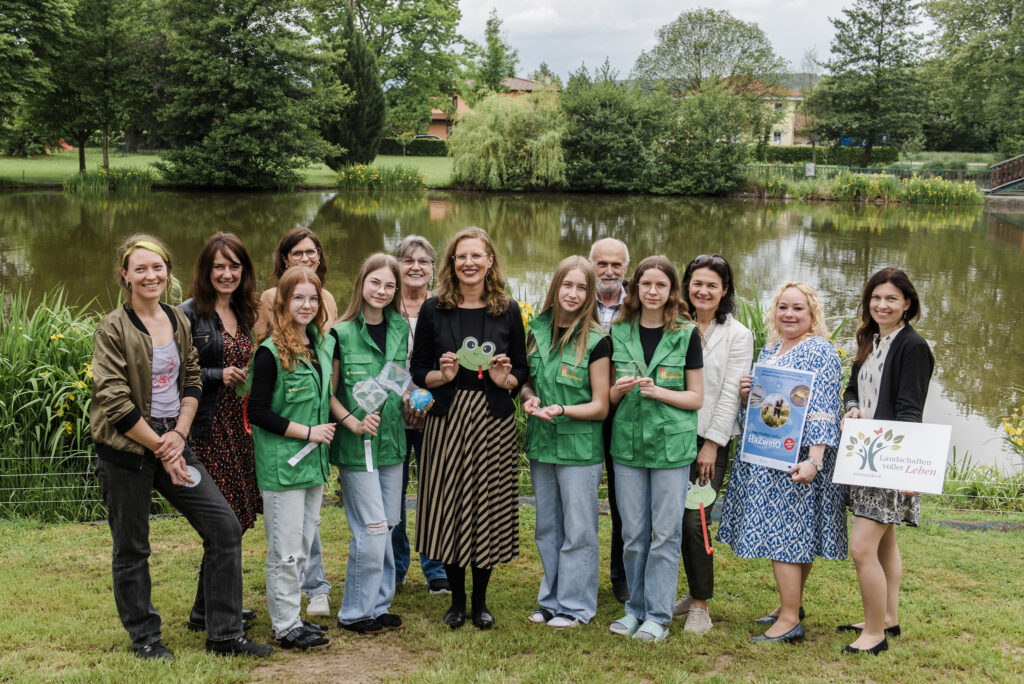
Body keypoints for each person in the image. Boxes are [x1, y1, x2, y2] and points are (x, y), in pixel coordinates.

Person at [91, 234, 271, 660]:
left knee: (224, 526)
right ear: (125, 275)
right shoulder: (112, 328)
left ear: (168, 272)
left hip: (175, 440)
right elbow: (114, 399)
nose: (150, 275)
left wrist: (178, 435)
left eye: (157, 268)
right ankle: (146, 638)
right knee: (133, 547)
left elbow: (191, 377)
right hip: (128, 451)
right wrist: (160, 446)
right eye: (140, 268)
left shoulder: (177, 319)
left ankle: (224, 635)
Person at [410, 227, 529, 630]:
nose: (469, 263)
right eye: (462, 256)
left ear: (490, 261)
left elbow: (522, 372)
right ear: (452, 262)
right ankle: (456, 601)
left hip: (492, 419)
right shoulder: (433, 309)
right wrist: (441, 377)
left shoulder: (508, 310)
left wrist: (504, 382)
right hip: (447, 418)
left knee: (486, 506)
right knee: (451, 504)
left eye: (477, 256)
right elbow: (418, 370)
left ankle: (480, 601)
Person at [716, 281, 847, 644]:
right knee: (795, 532)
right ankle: (791, 605)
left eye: (798, 309)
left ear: (812, 313)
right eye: (783, 307)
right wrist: (749, 393)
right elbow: (772, 402)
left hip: (798, 459)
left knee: (786, 536)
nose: (789, 314)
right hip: (768, 454)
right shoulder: (773, 347)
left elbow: (823, 407)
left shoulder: (817, 350)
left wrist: (814, 462)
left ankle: (789, 620)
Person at [607, 256, 704, 642]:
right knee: (633, 533)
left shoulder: (686, 333)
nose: (651, 291)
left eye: (660, 286)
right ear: (635, 288)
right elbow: (610, 397)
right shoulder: (618, 331)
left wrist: (658, 391)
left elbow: (696, 398)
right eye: (645, 284)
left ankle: (658, 616)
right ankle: (635, 608)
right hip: (628, 446)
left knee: (664, 534)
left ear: (671, 291)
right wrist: (619, 389)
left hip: (671, 449)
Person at [839, 267, 934, 655]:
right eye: (876, 297)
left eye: (892, 298)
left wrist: (901, 467)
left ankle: (874, 634)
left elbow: (911, 412)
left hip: (888, 458)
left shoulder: (913, 348)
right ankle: (888, 617)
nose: (882, 304)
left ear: (907, 303)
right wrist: (853, 409)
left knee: (861, 547)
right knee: (884, 543)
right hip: (864, 453)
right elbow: (853, 390)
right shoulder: (869, 338)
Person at [520, 256, 611, 629]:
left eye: (581, 288)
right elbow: (527, 382)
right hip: (543, 443)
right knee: (548, 527)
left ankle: (576, 606)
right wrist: (528, 397)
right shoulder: (536, 330)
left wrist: (561, 409)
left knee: (579, 529)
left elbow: (601, 405)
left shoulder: (597, 340)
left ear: (590, 295)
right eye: (567, 285)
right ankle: (551, 600)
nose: (572, 294)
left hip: (579, 448)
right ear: (555, 286)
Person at [247, 267, 335, 650]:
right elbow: (257, 412)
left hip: (313, 465)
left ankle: (295, 617)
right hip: (283, 467)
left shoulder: (319, 345)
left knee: (301, 545)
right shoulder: (268, 353)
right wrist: (310, 433)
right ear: (282, 302)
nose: (306, 305)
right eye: (298, 297)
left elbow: (322, 401)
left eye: (313, 298)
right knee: (284, 551)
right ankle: (285, 626)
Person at [180, 233, 262, 633]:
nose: (227, 274)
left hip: (240, 427)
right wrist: (218, 375)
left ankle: (205, 608)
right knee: (223, 521)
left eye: (234, 266)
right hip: (208, 429)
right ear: (206, 271)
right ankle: (210, 611)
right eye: (219, 267)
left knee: (239, 518)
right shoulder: (188, 314)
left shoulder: (244, 313)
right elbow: (174, 374)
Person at [672, 254, 753, 634]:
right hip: (669, 437)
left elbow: (729, 397)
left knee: (695, 521)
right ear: (687, 285)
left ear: (725, 291)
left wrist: (713, 445)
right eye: (696, 283)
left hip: (708, 444)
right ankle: (688, 591)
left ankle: (701, 605)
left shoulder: (737, 334)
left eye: (712, 285)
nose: (703, 291)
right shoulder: (673, 324)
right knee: (670, 521)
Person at [329, 254, 409, 634]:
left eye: (389, 285)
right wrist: (352, 422)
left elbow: (400, 378)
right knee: (372, 527)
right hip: (356, 445)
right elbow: (327, 394)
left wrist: (414, 396)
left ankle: (380, 605)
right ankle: (354, 612)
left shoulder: (400, 328)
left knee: (389, 525)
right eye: (375, 282)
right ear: (362, 283)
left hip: (392, 442)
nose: (382, 291)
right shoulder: (340, 334)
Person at [391, 235, 449, 595]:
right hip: (392, 413)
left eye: (423, 261)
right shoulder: (383, 303)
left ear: (433, 268)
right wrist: (406, 399)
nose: (415, 267)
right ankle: (396, 565)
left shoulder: (444, 307)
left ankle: (436, 566)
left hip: (435, 414)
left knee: (435, 489)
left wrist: (426, 402)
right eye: (408, 260)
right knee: (392, 492)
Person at [589, 237, 630, 603]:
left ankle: (621, 574)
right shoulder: (574, 294)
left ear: (626, 268)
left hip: (625, 413)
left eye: (616, 265)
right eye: (602, 264)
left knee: (623, 499)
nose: (608, 271)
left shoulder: (640, 300)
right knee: (581, 495)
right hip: (583, 411)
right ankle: (581, 573)